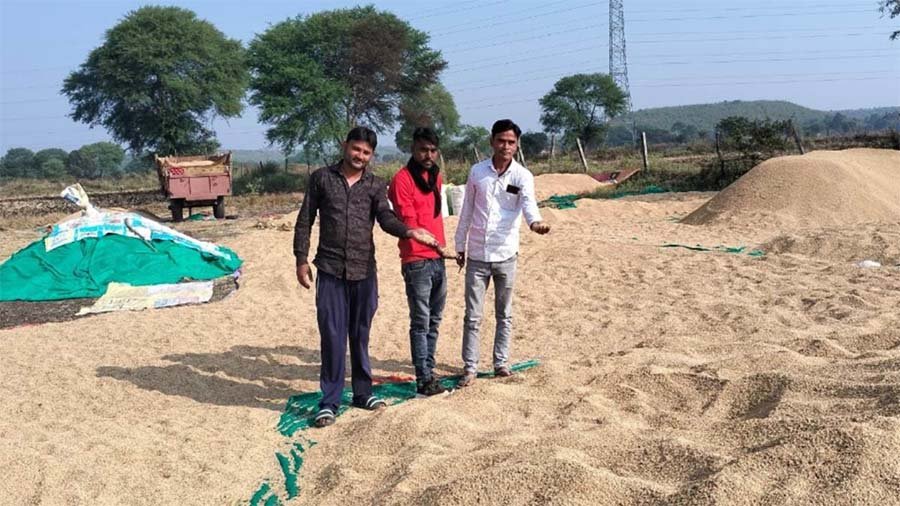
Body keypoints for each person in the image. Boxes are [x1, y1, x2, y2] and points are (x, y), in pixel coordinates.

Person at [294, 126, 438, 428]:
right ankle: (329, 401)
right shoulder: (322, 178)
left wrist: (409, 231)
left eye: (366, 152)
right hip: (330, 270)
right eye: (356, 149)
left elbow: (385, 218)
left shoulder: (374, 184)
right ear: (345, 146)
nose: (360, 156)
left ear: (371, 155)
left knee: (360, 335)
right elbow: (305, 219)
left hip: (364, 271)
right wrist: (301, 259)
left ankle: (362, 393)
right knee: (332, 336)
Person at [453, 119, 551, 388]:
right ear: (492, 142)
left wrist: (535, 223)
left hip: (506, 253)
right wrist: (460, 245)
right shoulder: (477, 172)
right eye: (501, 141)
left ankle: (501, 364)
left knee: (504, 313)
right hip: (477, 254)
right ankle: (470, 368)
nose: (505, 146)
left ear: (517, 145)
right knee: (473, 316)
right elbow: (467, 210)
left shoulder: (522, 176)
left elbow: (529, 204)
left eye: (511, 142)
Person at [388, 127, 453, 397]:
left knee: (434, 320)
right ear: (412, 149)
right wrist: (435, 246)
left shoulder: (435, 177)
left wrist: (442, 249)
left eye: (433, 150)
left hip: (438, 257)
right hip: (416, 260)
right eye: (423, 150)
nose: (428, 155)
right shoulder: (402, 180)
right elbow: (410, 222)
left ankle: (430, 371)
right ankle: (423, 379)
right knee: (420, 322)